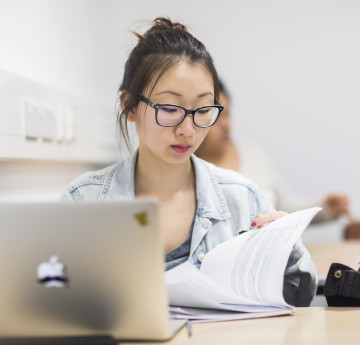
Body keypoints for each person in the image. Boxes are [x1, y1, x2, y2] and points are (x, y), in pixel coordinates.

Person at [61, 17, 317, 306]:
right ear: (129, 105)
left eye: (203, 109)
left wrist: (286, 246)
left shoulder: (241, 198)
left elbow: (300, 295)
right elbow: (49, 302)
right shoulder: (84, 201)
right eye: (170, 108)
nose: (188, 130)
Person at [195, 80, 349, 223]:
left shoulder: (253, 154)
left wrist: (324, 208)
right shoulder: (186, 171)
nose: (226, 125)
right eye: (216, 116)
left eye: (227, 114)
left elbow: (285, 209)